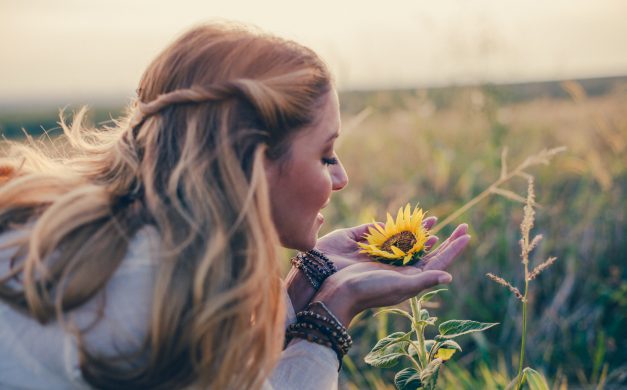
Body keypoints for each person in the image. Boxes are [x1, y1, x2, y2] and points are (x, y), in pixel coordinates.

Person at [0, 22, 470, 389]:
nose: (341, 178)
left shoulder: (125, 236)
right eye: (325, 155)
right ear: (251, 164)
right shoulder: (147, 290)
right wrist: (329, 317)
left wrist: (307, 282)